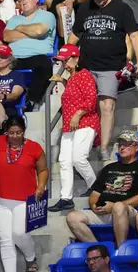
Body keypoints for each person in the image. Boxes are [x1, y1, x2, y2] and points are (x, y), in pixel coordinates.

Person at [67, 0, 138, 159]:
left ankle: (104, 146)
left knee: (107, 105)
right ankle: (84, 143)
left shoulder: (122, 9)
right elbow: (75, 35)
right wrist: (68, 56)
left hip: (111, 66)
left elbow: (134, 35)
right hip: (86, 66)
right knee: (84, 104)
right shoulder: (84, 8)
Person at [66, 130, 138, 247]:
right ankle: (99, 250)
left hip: (128, 212)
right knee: (72, 217)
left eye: (126, 144)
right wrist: (94, 206)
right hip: (103, 212)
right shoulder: (109, 168)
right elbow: (95, 194)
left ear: (136, 147)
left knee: (119, 207)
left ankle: (121, 248)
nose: (122, 148)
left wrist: (114, 206)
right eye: (120, 144)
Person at [0, 115, 48, 272]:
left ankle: (31, 258)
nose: (15, 136)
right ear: (7, 132)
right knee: (5, 239)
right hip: (1, 199)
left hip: (25, 199)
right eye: (11, 133)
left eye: (18, 132)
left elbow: (43, 170)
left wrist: (41, 186)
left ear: (24, 131)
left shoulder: (34, 147)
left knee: (19, 233)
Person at [47, 44, 99, 212]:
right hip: (70, 126)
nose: (64, 64)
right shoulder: (73, 77)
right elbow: (74, 94)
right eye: (61, 62)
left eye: (66, 60)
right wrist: (63, 81)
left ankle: (95, 186)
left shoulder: (85, 75)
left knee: (78, 158)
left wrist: (78, 113)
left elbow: (91, 99)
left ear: (76, 59)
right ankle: (66, 197)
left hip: (85, 122)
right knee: (64, 161)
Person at [3, 0, 57, 110]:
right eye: (20, 0)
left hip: (37, 56)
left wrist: (19, 28)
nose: (23, 2)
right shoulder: (14, 18)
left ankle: (32, 100)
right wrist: (30, 32)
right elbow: (7, 36)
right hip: (14, 58)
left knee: (43, 64)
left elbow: (39, 31)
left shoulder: (47, 15)